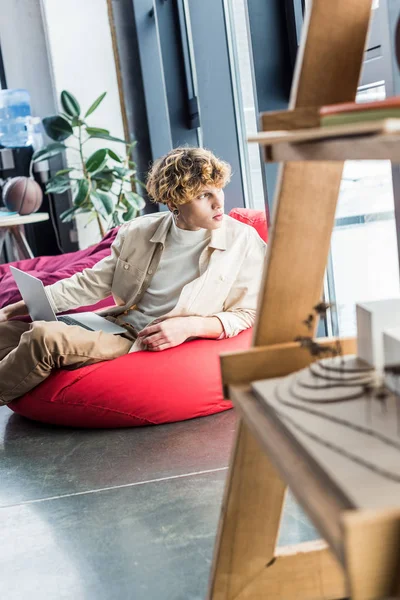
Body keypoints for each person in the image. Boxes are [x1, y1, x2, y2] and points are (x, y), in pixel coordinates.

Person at [0, 147, 266, 405]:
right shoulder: (139, 232)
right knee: (5, 332)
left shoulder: (241, 241)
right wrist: (16, 309)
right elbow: (91, 282)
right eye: (202, 195)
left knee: (45, 338)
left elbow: (250, 312)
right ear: (174, 202)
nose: (218, 202)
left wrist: (191, 326)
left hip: (139, 340)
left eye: (218, 189)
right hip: (113, 323)